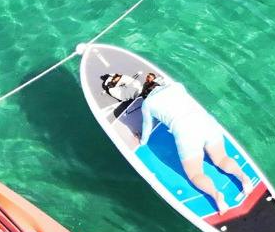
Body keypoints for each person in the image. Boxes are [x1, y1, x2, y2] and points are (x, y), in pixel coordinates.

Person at [100, 71, 247, 205]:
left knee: (196, 174)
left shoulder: (147, 104)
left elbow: (147, 126)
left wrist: (142, 141)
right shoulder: (177, 86)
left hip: (187, 133)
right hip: (206, 122)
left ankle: (216, 196)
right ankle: (243, 177)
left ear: (144, 93)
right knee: (221, 159)